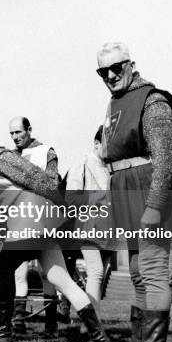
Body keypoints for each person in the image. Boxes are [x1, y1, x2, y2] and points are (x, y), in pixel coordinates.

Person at [0, 143, 111, 342]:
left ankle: (1, 332)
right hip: (38, 221)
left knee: (3, 266)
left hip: (33, 217)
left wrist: (58, 206)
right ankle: (99, 337)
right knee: (61, 279)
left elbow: (32, 175)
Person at [95, 43, 172, 342]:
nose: (110, 75)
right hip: (124, 194)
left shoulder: (153, 100)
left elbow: (166, 160)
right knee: (136, 273)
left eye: (117, 67)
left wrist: (155, 206)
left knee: (152, 271)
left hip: (147, 194)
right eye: (103, 71)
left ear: (131, 64)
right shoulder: (115, 103)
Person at [8, 116, 61, 336]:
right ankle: (18, 322)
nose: (15, 137)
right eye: (11, 133)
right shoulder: (10, 156)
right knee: (18, 271)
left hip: (42, 215)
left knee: (47, 271)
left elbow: (52, 183)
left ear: (29, 129)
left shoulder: (46, 151)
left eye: (18, 132)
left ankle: (51, 323)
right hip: (17, 216)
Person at [65, 125, 113, 329]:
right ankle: (93, 325)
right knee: (97, 271)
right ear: (96, 144)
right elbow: (70, 198)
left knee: (99, 274)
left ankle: (90, 321)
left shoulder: (110, 168)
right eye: (108, 146)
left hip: (107, 228)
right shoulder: (81, 165)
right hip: (87, 225)